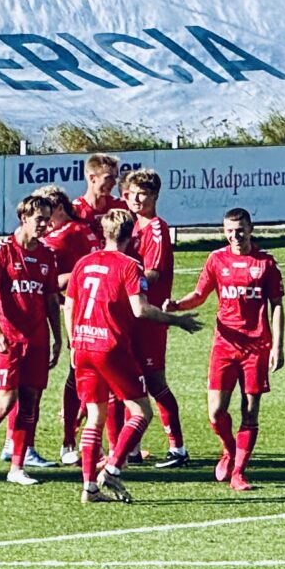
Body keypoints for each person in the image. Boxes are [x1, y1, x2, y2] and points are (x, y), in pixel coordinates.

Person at [63, 208, 202, 505]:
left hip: (83, 344)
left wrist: (73, 341)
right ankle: (113, 469)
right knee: (141, 412)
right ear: (132, 235)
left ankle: (89, 488)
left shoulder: (83, 263)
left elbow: (69, 304)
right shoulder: (129, 265)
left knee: (95, 417)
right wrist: (177, 320)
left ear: (104, 232)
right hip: (110, 347)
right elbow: (140, 310)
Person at [170, 207, 285, 492]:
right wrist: (177, 306)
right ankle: (229, 449)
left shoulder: (266, 263)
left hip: (256, 347)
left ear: (251, 229)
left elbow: (277, 305)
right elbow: (200, 294)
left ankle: (239, 473)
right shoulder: (216, 259)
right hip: (225, 345)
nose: (235, 236)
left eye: (240, 230)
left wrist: (278, 346)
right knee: (216, 412)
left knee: (250, 411)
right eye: (230, 231)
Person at [0, 193, 60, 485]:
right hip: (9, 340)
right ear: (24, 218)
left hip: (37, 339)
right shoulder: (2, 250)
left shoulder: (47, 255)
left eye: (47, 220)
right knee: (5, 402)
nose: (44, 225)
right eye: (39, 219)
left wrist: (57, 337)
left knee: (30, 402)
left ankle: (17, 468)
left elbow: (51, 300)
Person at [120, 170, 191, 466]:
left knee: (154, 381)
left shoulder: (156, 228)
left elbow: (153, 273)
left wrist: (123, 286)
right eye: (133, 193)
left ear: (155, 196)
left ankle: (178, 449)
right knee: (130, 380)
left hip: (150, 317)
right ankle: (132, 450)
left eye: (144, 193)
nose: (137, 199)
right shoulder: (131, 224)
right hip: (133, 314)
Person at [38, 188, 102, 465]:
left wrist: (56, 283)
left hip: (79, 310)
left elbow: (51, 276)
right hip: (93, 307)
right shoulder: (82, 229)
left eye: (47, 212)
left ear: (59, 208)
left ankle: (71, 438)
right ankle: (85, 438)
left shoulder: (63, 236)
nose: (44, 219)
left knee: (80, 370)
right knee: (89, 371)